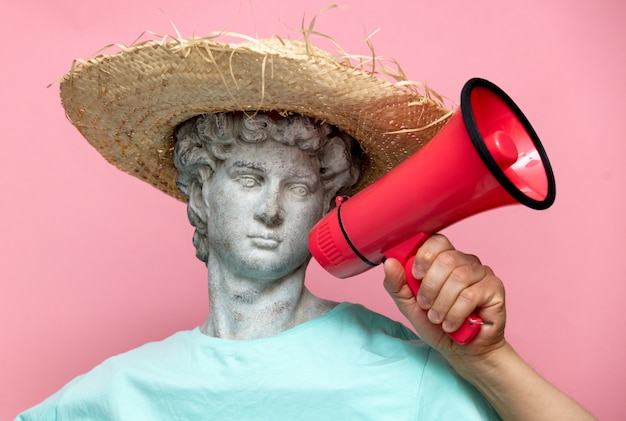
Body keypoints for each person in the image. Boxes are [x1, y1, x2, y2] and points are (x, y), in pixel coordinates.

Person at [17, 34, 596, 420]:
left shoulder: (410, 372)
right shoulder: (113, 396)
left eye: (297, 187)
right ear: (198, 192)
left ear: (328, 205)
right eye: (247, 178)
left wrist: (489, 360)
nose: (272, 209)